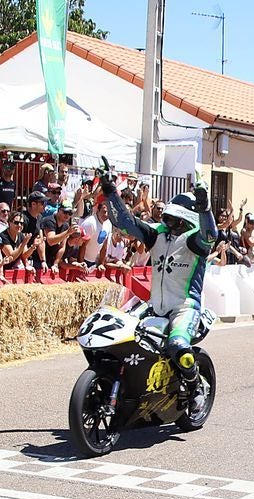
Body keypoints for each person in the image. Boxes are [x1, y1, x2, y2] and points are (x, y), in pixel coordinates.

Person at [100, 170, 216, 414]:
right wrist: (110, 191)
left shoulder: (195, 241)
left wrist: (205, 207)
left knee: (178, 345)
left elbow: (210, 235)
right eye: (167, 218)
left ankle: (195, 387)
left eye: (174, 220)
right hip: (155, 306)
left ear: (187, 220)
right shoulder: (157, 235)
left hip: (185, 308)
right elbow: (125, 222)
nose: (168, 223)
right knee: (123, 338)